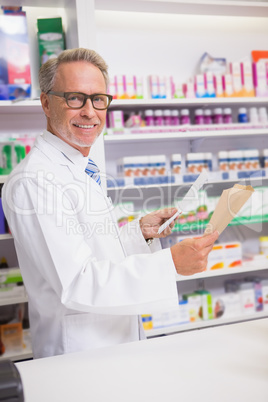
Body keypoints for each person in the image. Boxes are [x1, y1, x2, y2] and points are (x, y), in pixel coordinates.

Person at [2, 48, 218, 359]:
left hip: (113, 347)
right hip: (78, 355)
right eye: (75, 98)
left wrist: (137, 234)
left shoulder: (79, 165)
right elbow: (77, 282)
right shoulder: (35, 181)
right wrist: (169, 264)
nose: (90, 111)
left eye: (98, 98)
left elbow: (91, 250)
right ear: (47, 103)